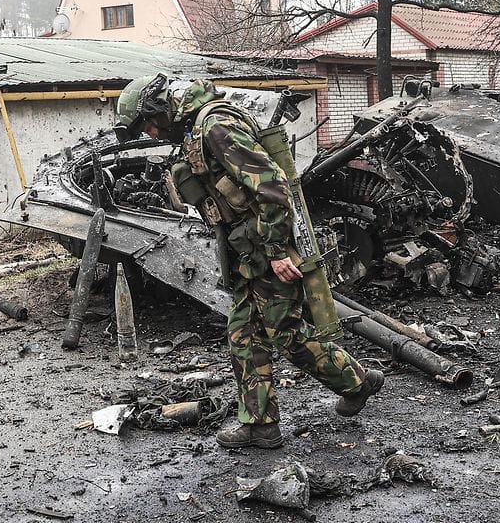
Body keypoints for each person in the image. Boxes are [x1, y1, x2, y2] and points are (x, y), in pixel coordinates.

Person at [114, 74, 384, 449]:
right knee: (243, 333)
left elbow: (272, 187)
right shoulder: (200, 130)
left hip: (268, 248)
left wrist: (275, 253)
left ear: (160, 109)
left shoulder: (216, 127)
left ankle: (357, 381)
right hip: (249, 252)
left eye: (148, 124)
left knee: (283, 333)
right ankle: (261, 425)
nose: (152, 133)